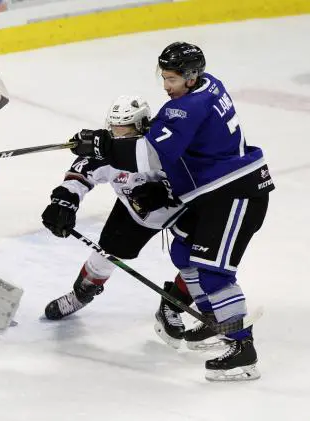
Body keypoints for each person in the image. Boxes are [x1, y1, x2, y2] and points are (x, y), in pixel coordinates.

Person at [69, 42, 274, 381]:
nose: (166, 86)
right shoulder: (211, 85)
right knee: (183, 252)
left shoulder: (188, 107)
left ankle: (242, 349)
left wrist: (102, 145)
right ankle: (214, 321)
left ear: (192, 77)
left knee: (214, 273)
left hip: (236, 192)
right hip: (211, 193)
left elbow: (152, 155)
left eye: (173, 79)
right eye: (164, 77)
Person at [41, 95, 193, 350]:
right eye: (115, 129)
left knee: (198, 259)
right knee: (105, 256)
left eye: (127, 129)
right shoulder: (108, 150)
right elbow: (80, 174)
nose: (119, 136)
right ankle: (81, 295)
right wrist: (63, 203)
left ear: (143, 125)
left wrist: (165, 191)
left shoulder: (162, 144)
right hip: (134, 215)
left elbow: (194, 173)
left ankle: (173, 305)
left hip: (184, 210)